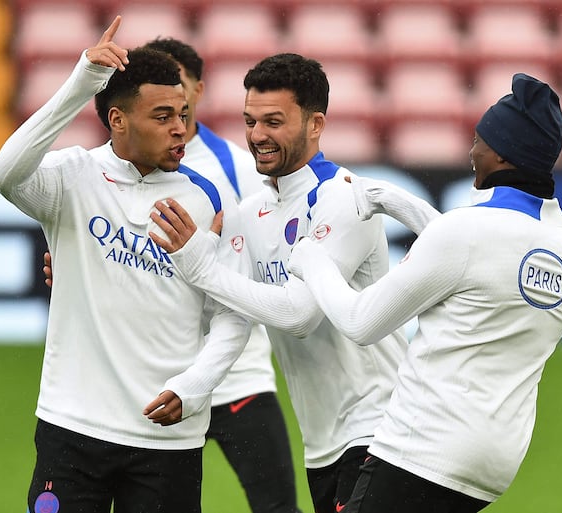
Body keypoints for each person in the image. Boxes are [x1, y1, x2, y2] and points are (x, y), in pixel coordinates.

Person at [287, 73, 562, 512]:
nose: (471, 152)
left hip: (423, 448)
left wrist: (310, 259)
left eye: (479, 141)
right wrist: (393, 199)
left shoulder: (466, 232)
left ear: (502, 154)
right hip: (493, 464)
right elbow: (479, 263)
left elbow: (361, 322)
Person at [0, 17, 252, 513]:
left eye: (183, 113)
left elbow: (234, 314)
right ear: (117, 120)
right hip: (72, 425)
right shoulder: (71, 177)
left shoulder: (210, 199)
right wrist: (81, 82)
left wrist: (194, 387)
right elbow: (4, 173)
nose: (180, 128)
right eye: (162, 116)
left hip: (166, 438)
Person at [42, 36, 302, 513]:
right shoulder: (116, 163)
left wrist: (209, 265)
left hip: (237, 376)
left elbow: (265, 261)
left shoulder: (235, 168)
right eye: (161, 106)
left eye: (179, 93)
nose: (174, 118)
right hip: (151, 384)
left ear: (197, 90)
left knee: (277, 506)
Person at [147, 53, 407, 513]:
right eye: (250, 121)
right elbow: (233, 314)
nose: (257, 136)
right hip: (324, 444)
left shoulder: (344, 199)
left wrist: (202, 267)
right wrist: (194, 384)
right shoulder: (250, 213)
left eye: (273, 122)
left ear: (315, 124)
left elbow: (299, 315)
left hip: (380, 431)